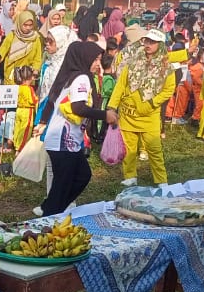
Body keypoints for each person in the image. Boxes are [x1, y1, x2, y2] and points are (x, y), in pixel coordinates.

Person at [37, 41, 117, 216]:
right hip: (63, 141)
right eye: (95, 59)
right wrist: (105, 115)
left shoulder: (72, 76)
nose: (98, 64)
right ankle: (49, 217)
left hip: (66, 141)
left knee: (81, 176)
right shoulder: (81, 77)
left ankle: (51, 208)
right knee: (65, 184)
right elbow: (78, 108)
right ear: (84, 58)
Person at [112, 29, 175, 186]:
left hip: (149, 115)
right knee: (129, 149)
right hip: (128, 114)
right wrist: (112, 106)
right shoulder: (133, 62)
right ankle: (130, 176)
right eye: (146, 40)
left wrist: (152, 103)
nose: (147, 44)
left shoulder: (166, 67)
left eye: (152, 42)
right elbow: (120, 85)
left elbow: (168, 90)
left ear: (160, 45)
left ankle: (161, 180)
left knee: (154, 149)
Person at [0, 10, 44, 84]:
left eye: (30, 25)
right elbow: (1, 53)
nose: (28, 27)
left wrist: (35, 70)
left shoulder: (35, 38)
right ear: (19, 23)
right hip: (11, 78)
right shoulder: (12, 36)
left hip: (27, 78)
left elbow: (37, 58)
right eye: (25, 25)